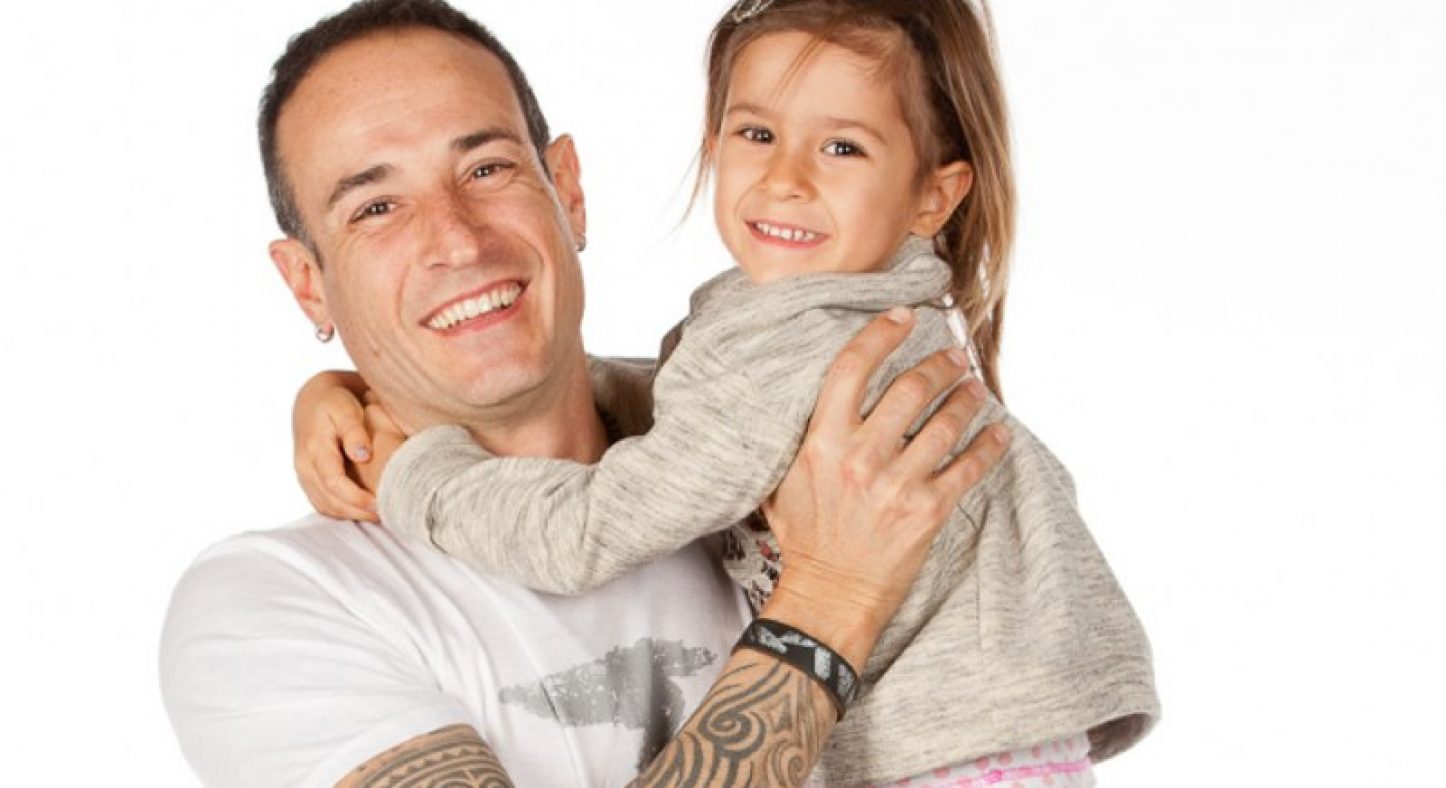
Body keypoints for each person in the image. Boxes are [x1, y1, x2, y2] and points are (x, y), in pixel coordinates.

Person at [293, 0, 1159, 785]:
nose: (786, 179)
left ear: (934, 195)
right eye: (756, 134)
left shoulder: (807, 338)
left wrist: (416, 469)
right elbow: (703, 418)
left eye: (843, 147)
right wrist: (351, 391)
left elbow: (585, 532)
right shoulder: (844, 313)